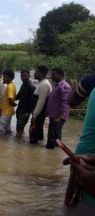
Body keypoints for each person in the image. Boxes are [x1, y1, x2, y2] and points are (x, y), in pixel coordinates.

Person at [64, 73, 95, 207]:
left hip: (86, 152)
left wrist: (75, 87)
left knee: (76, 203)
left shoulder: (91, 79)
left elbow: (71, 101)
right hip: (87, 156)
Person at [45, 67, 71, 149]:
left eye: (53, 74)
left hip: (58, 117)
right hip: (54, 115)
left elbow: (65, 103)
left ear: (60, 75)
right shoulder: (57, 85)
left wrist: (58, 116)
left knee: (52, 138)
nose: (51, 76)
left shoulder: (64, 86)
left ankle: (50, 156)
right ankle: (54, 156)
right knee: (55, 136)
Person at [29, 65, 52, 144]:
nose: (34, 73)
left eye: (36, 72)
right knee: (38, 133)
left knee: (33, 134)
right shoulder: (41, 83)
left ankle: (32, 152)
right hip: (38, 113)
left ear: (42, 73)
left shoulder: (44, 85)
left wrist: (34, 115)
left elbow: (41, 102)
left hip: (39, 114)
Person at [15, 70, 36, 138]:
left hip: (25, 111)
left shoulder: (31, 87)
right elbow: (18, 96)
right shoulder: (23, 85)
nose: (23, 77)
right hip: (20, 109)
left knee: (19, 127)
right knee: (20, 127)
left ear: (29, 76)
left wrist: (30, 112)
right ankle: (20, 140)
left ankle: (17, 143)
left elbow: (33, 101)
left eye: (25, 76)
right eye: (22, 76)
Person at [0, 70, 16, 135]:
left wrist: (14, 104)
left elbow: (10, 99)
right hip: (9, 111)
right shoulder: (12, 85)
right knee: (7, 128)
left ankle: (1, 141)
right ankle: (7, 140)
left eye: (5, 77)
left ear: (10, 78)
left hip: (6, 111)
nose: (3, 78)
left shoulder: (9, 87)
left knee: (0, 127)